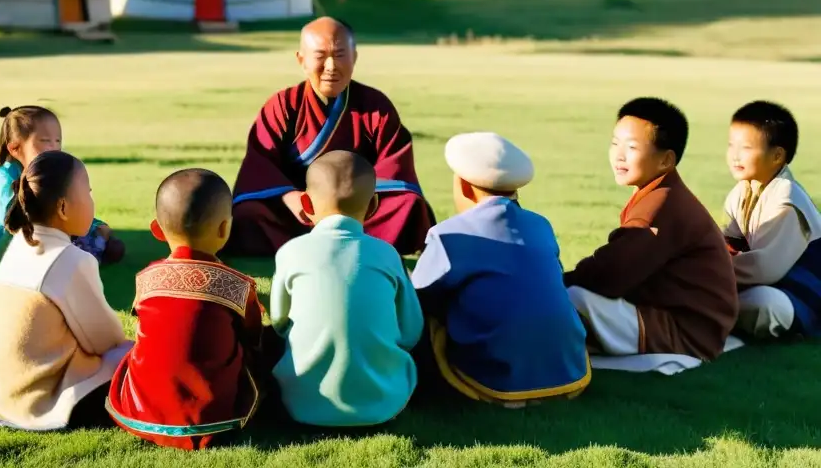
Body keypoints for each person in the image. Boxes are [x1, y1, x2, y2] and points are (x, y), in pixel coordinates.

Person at [227, 17, 434, 256]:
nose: (331, 66)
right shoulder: (282, 106)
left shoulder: (375, 105)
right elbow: (260, 165)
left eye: (339, 55)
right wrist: (289, 196)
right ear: (301, 60)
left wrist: (356, 202)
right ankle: (349, 247)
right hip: (300, 213)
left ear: (354, 57)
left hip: (359, 212)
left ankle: (333, 244)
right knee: (250, 212)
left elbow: (395, 165)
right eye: (320, 56)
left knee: (407, 206)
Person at [412, 132, 590, 407]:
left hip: (493, 380)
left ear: (464, 187)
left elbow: (420, 297)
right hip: (569, 372)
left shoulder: (448, 235)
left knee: (424, 315)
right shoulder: (540, 225)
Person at [0, 151, 132, 431]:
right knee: (137, 356)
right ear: (64, 208)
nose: (93, 201)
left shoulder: (20, 243)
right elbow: (105, 341)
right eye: (89, 193)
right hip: (36, 403)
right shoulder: (72, 259)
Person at [564, 97, 739, 361]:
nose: (618, 155)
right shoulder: (661, 193)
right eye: (614, 143)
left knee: (575, 297)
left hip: (687, 334)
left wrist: (553, 282)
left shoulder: (661, 205)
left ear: (666, 159)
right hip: (688, 323)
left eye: (632, 147)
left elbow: (609, 275)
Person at [106, 169, 264, 449]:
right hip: (215, 416)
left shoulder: (146, 278)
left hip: (143, 411)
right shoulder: (236, 284)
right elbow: (254, 337)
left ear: (157, 230)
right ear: (225, 229)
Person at [271, 150, 423, 427]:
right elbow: (411, 330)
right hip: (384, 401)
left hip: (301, 400)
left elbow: (280, 323)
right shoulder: (387, 254)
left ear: (305, 203)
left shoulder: (290, 252)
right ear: (374, 204)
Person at [0, 105, 124, 275]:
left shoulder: (44, 174)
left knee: (104, 243)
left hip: (34, 237)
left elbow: (66, 208)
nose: (54, 148)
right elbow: (22, 222)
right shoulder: (5, 181)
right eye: (45, 141)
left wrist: (94, 225)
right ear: (15, 148)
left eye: (58, 141)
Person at [723, 101, 821, 339]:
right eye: (731, 145)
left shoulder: (787, 198)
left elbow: (764, 269)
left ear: (777, 156)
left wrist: (706, 271)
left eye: (745, 147)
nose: (735, 155)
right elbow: (731, 245)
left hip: (804, 293)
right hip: (770, 283)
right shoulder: (741, 191)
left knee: (763, 305)